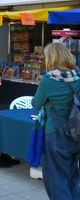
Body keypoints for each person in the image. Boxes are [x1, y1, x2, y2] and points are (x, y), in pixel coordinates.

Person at [31, 42, 80, 199]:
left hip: (56, 134)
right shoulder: (77, 76)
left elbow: (35, 104)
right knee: (73, 176)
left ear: (51, 58)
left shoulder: (49, 79)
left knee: (56, 179)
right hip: (76, 133)